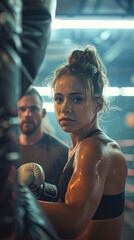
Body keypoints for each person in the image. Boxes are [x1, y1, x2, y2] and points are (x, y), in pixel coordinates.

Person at [39, 45, 128, 240]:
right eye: (59, 99)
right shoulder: (77, 147)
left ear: (98, 104)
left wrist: (17, 198)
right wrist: (40, 192)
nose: (65, 108)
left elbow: (73, 222)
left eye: (77, 99)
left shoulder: (94, 148)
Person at [17, 87, 69, 201]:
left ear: (43, 113)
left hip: (49, 218)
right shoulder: (6, 150)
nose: (27, 114)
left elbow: (67, 202)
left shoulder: (62, 152)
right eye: (22, 109)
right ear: (16, 112)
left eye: (33, 109)